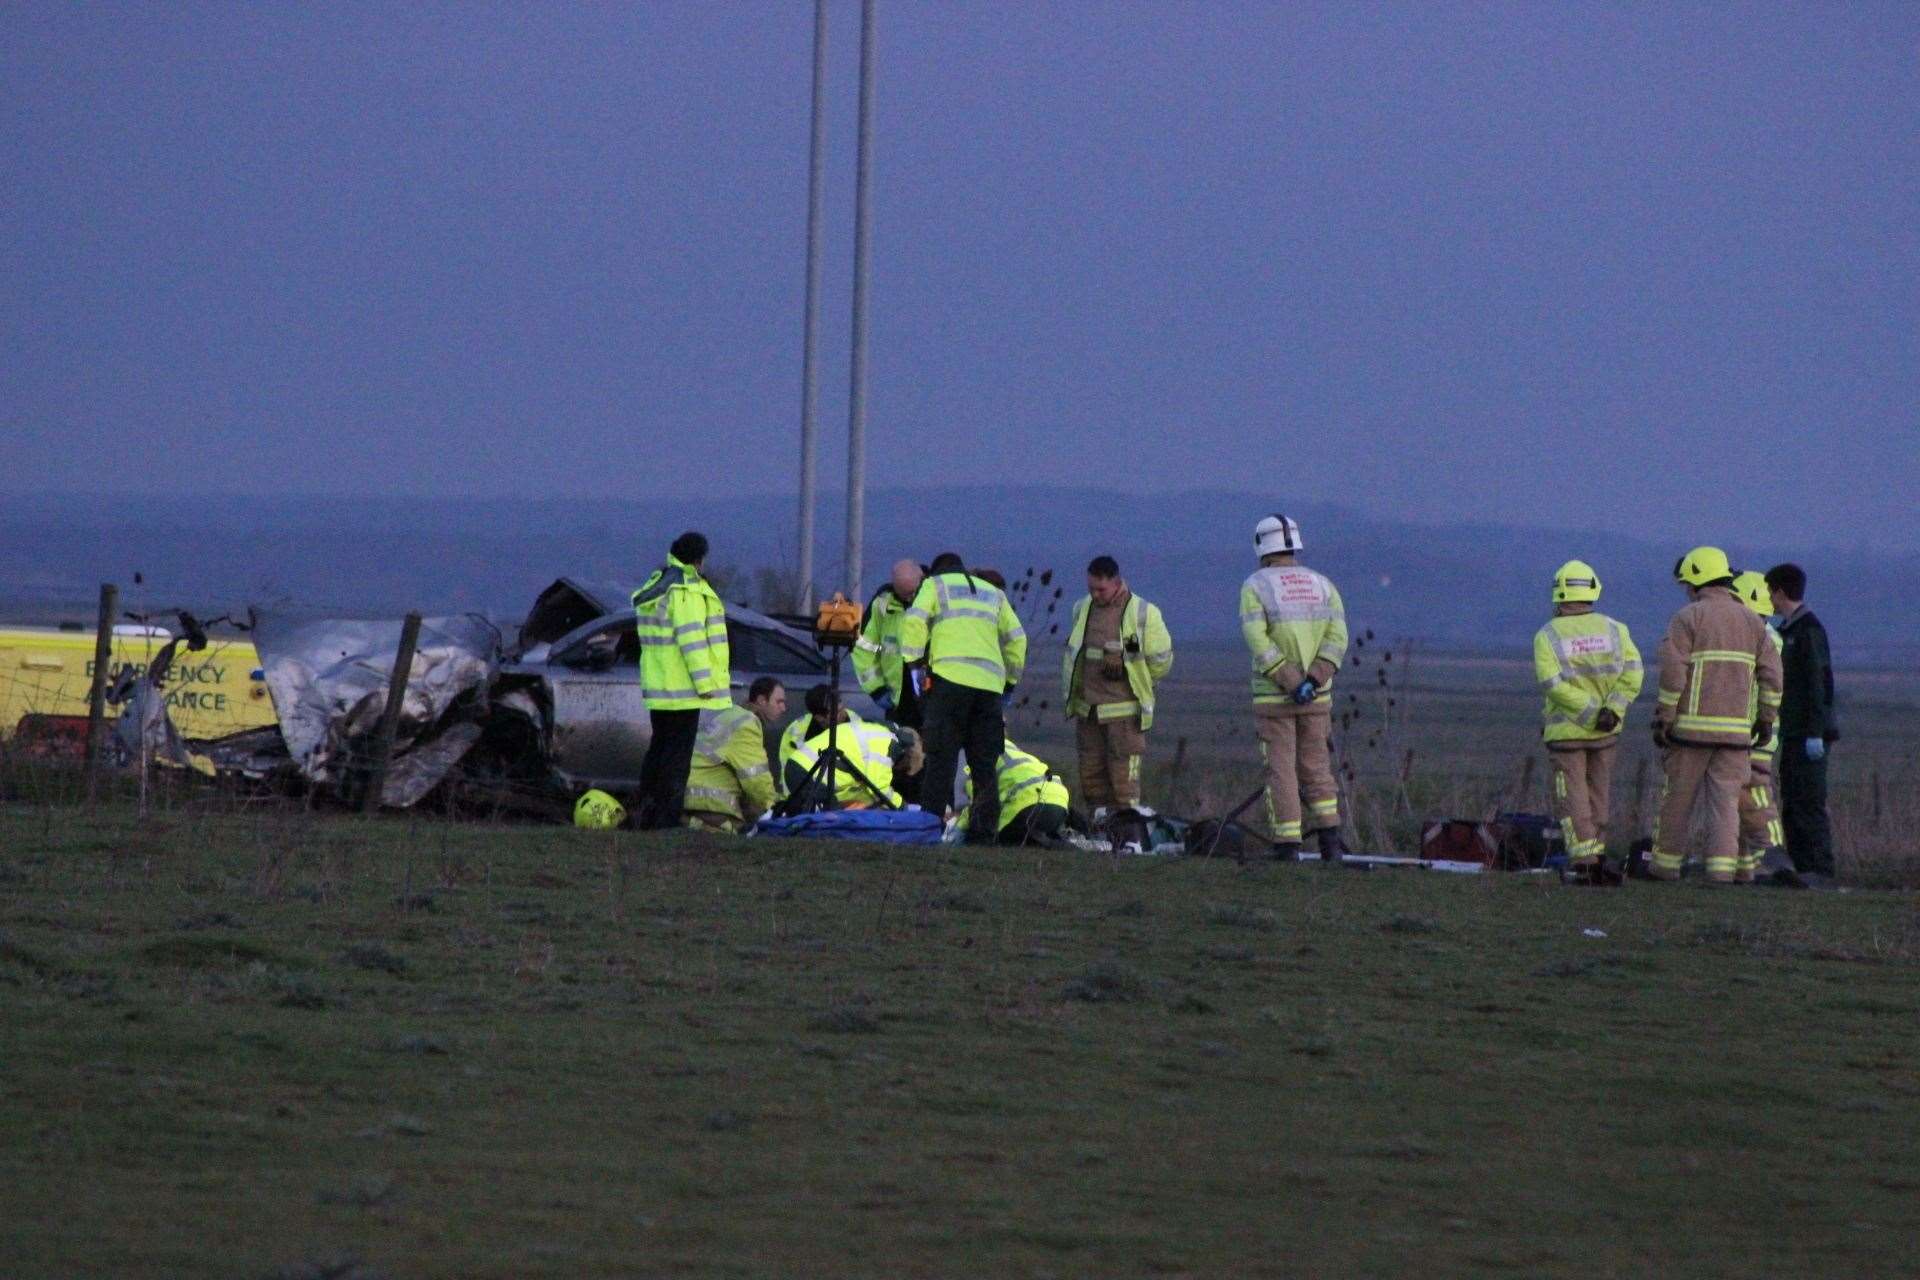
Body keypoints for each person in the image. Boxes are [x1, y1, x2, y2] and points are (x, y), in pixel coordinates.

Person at [1648, 547, 1783, 883]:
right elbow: (1773, 676)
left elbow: (1673, 674)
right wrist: (1765, 718)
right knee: (1725, 806)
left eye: (1686, 585)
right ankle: (1721, 873)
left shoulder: (1688, 618)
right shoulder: (1754, 623)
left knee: (1678, 801)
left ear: (1696, 581)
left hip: (1690, 732)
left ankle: (1665, 867)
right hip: (1736, 736)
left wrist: (1665, 715)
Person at [1239, 514, 1349, 861]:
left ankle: (1288, 845)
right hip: (1318, 698)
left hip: (1274, 697)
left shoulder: (1255, 586)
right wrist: (1315, 679)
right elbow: (1338, 639)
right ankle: (1330, 841)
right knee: (1317, 767)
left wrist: (1290, 681)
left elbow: (1258, 640)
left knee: (1281, 769)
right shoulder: (1323, 585)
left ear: (1261, 546)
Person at [899, 553, 1027, 841]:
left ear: (935, 571)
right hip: (988, 690)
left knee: (941, 761)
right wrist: (1009, 682)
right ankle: (984, 834)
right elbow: (1018, 639)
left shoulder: (935, 585)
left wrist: (914, 664)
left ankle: (929, 829)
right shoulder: (993, 593)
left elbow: (914, 622)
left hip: (948, 683)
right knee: (984, 766)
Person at [1532, 560, 1643, 877]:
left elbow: (1551, 684)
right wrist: (1611, 711)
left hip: (1567, 733)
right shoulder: (1616, 630)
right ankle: (1599, 854)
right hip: (1607, 731)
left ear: (1558, 593)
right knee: (1599, 794)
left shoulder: (1547, 635)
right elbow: (1633, 674)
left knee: (1573, 798)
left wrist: (1589, 714)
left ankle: (1584, 860)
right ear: (1594, 589)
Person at [1061, 555, 1175, 816]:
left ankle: (1128, 836)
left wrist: (1131, 671)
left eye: (1101, 589)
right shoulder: (1081, 608)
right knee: (1091, 778)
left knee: (1124, 781)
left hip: (1124, 715)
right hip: (1088, 711)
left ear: (1116, 583)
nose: (1095, 595)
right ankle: (1100, 834)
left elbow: (1161, 661)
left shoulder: (1143, 612)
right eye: (1091, 588)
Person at [632, 531, 730, 829]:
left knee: (658, 751)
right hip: (684, 690)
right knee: (676, 759)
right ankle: (666, 820)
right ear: (699, 560)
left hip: (661, 689)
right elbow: (693, 644)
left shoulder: (658, 583)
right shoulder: (685, 591)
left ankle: (645, 815)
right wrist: (707, 686)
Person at [1765, 562, 1838, 880]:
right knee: (1793, 804)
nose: (1768, 598)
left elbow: (1819, 684)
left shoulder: (1808, 630)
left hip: (1808, 734)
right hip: (1792, 732)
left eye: (1770, 592)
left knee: (1808, 804)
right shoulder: (1788, 631)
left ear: (1779, 592)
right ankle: (1800, 868)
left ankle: (1820, 869)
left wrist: (1816, 732)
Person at [853, 560, 928, 805]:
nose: (909, 597)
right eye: (904, 592)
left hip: (930, 694)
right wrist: (876, 688)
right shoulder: (882, 604)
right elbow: (864, 648)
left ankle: (927, 806)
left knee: (930, 756)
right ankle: (899, 804)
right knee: (899, 755)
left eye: (912, 591)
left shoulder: (932, 599)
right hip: (898, 696)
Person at [1731, 572, 1789, 881]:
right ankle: (1748, 868)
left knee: (1757, 799)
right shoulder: (1765, 637)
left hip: (1754, 735)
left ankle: (1774, 859)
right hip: (1750, 731)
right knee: (1740, 804)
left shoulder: (1763, 639)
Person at [782, 682, 919, 809]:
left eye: (842, 708)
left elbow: (862, 772)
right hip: (806, 778)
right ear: (819, 717)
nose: (842, 715)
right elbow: (788, 765)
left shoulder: (854, 720)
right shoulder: (798, 731)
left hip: (836, 785)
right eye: (836, 712)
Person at [682, 678, 785, 833]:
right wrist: (777, 809)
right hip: (708, 804)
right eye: (779, 702)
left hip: (687, 797)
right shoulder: (748, 724)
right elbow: (756, 779)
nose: (784, 708)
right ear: (762, 701)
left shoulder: (733, 715)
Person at [962, 738, 1072, 847]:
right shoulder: (1009, 750)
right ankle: (1069, 841)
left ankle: (1048, 843)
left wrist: (956, 830)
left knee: (991, 838)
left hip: (1026, 807)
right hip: (1059, 803)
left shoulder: (977, 759)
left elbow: (979, 805)